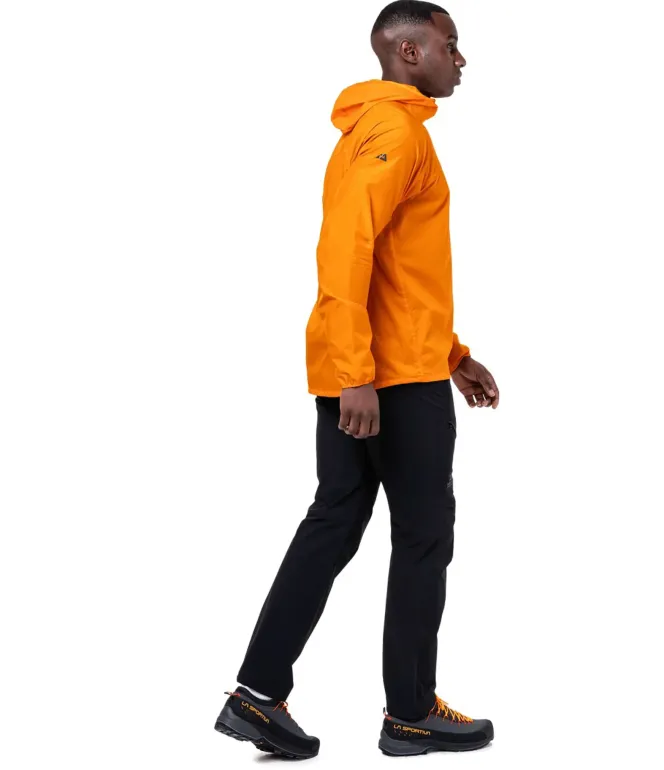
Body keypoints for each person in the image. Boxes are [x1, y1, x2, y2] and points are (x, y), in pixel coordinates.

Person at [214, 1, 499, 759]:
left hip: (377, 366)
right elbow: (348, 249)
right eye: (449, 44)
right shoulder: (396, 132)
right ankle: (410, 713)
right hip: (385, 379)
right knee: (423, 536)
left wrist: (452, 354)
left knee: (335, 521)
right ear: (408, 52)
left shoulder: (370, 129)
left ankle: (257, 695)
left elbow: (397, 270)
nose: (460, 59)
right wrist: (358, 376)